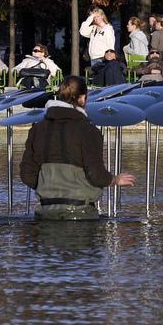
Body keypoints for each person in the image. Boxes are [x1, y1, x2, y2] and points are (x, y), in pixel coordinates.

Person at [19, 76, 135, 220]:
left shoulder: (37, 128)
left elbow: (26, 174)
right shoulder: (88, 130)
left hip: (45, 212)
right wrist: (115, 180)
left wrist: (49, 188)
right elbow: (96, 175)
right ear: (82, 98)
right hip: (80, 212)